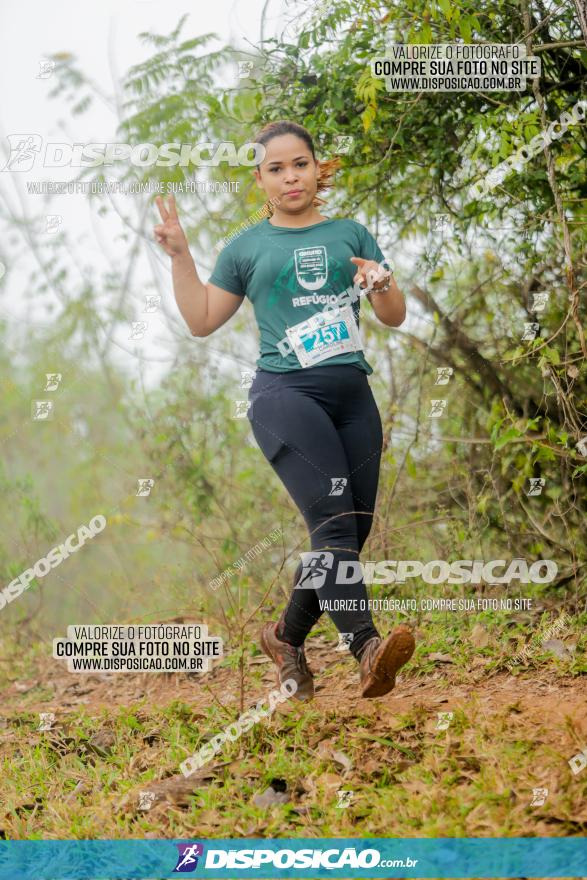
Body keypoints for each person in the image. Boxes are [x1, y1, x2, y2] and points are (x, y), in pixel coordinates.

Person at [153, 120, 415, 701]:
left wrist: (380, 282)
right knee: (334, 525)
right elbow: (199, 320)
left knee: (351, 532)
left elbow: (393, 315)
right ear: (260, 179)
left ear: (318, 168)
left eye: (300, 163)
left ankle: (285, 638)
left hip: (352, 397)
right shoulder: (247, 248)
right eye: (276, 168)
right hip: (285, 396)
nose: (290, 176)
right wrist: (181, 255)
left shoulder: (351, 234)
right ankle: (367, 648)